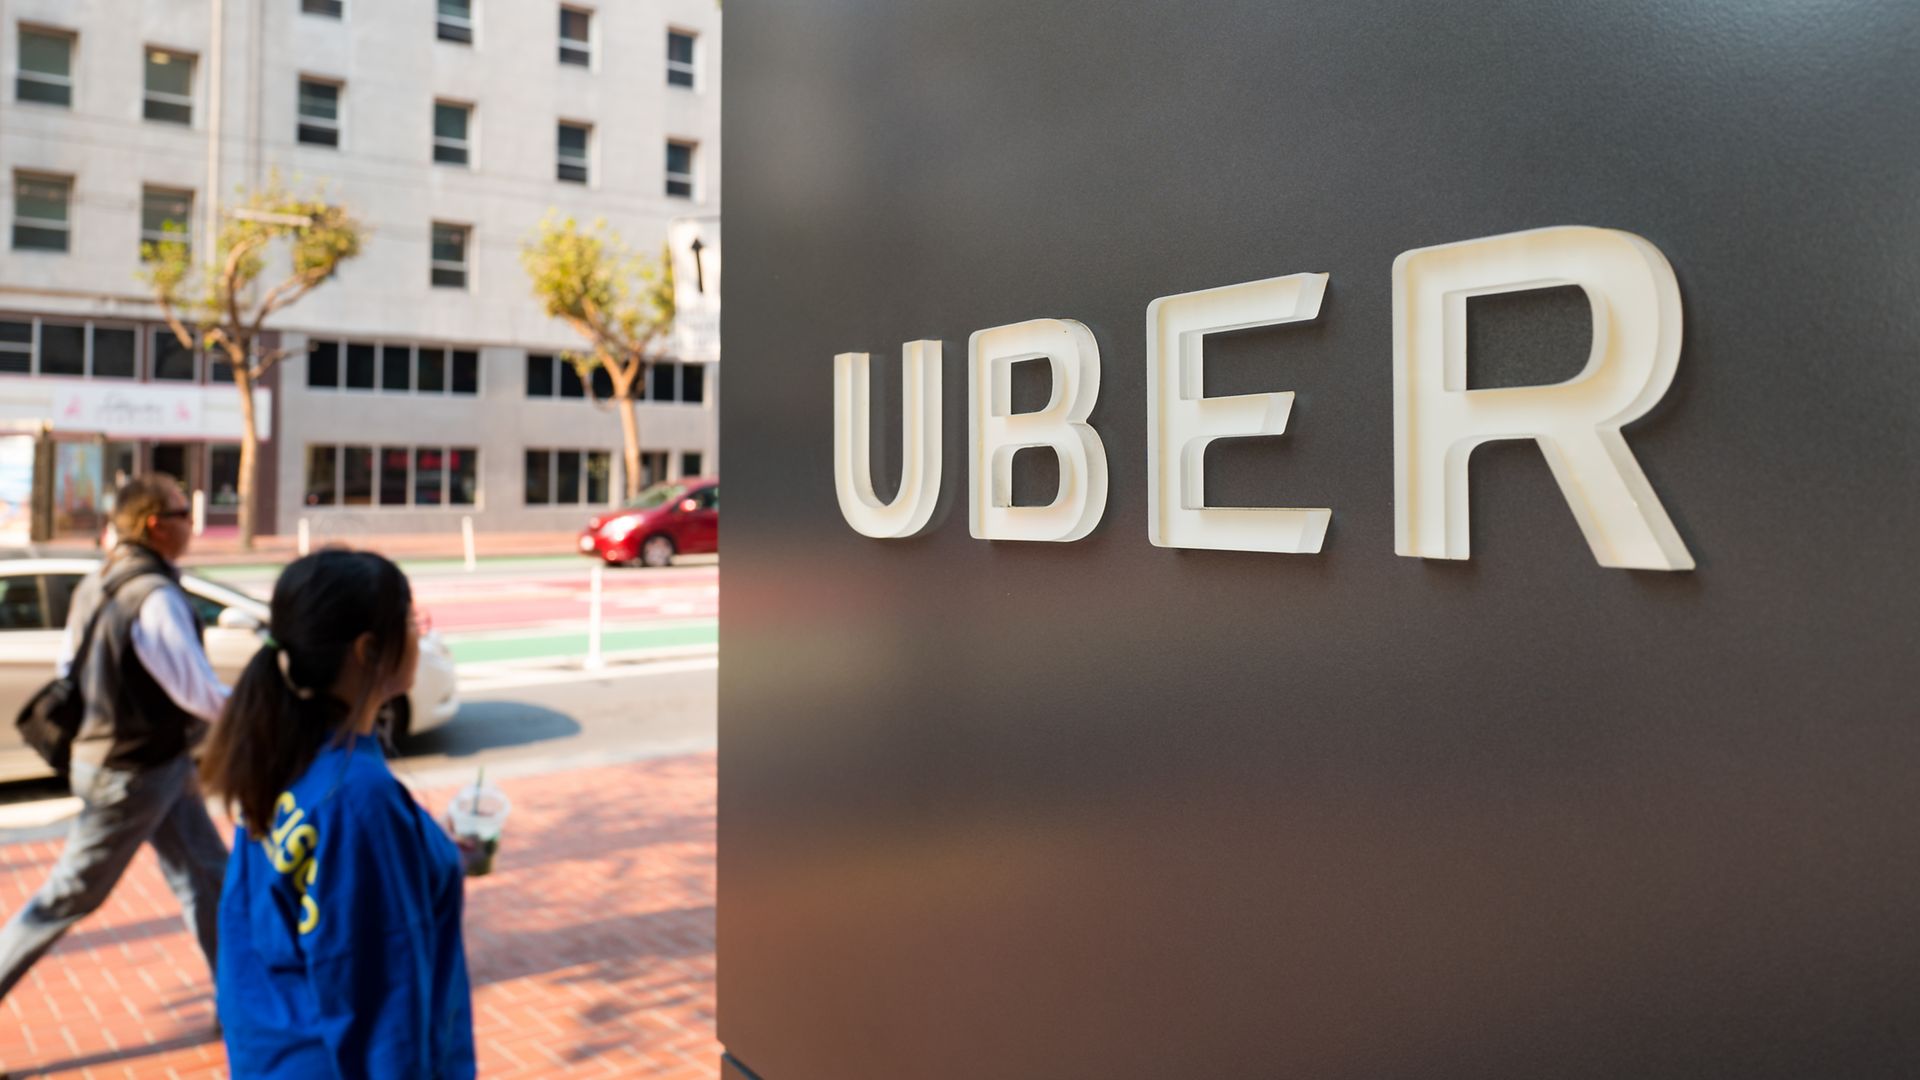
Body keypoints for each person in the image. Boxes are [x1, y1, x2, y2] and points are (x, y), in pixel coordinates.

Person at [200, 549, 475, 1077]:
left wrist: (435, 856)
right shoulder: (357, 799)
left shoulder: (286, 758)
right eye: (412, 621)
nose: (420, 635)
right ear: (369, 649)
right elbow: (384, 1012)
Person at [0, 475, 231, 1003]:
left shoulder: (99, 580)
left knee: (208, 878)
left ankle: (237, 1000)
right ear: (156, 525)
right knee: (66, 897)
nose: (190, 527)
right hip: (133, 774)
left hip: (143, 764)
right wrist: (271, 707)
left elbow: (69, 666)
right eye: (183, 515)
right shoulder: (154, 596)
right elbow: (200, 694)